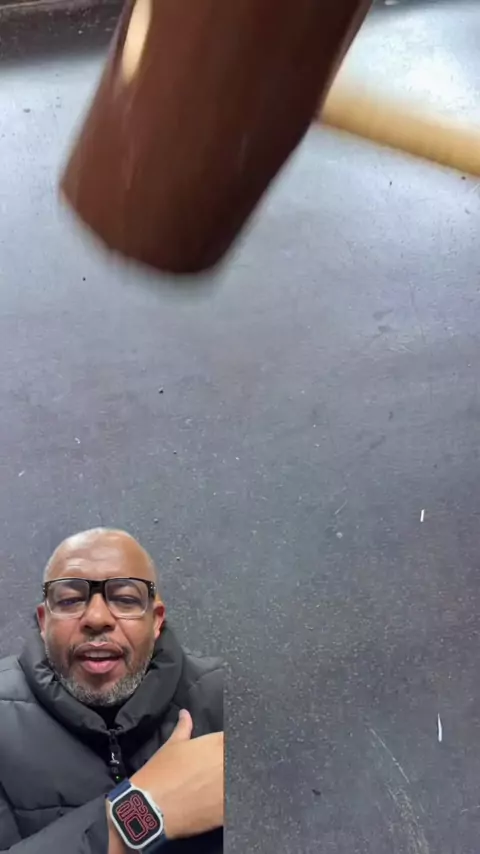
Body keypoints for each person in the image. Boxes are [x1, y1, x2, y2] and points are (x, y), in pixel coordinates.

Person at [0, 528, 224, 853]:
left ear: (156, 620)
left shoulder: (227, 700)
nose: (96, 618)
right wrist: (139, 810)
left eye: (125, 599)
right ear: (44, 621)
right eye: (70, 600)